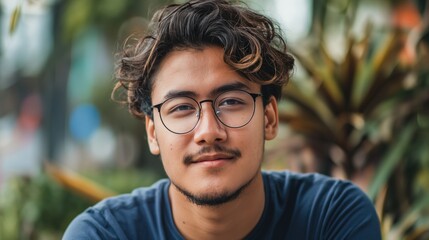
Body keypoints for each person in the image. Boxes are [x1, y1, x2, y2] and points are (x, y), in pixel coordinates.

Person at [63, 0, 381, 239]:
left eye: (231, 102)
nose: (208, 132)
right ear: (152, 133)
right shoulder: (102, 235)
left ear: (269, 119)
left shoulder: (332, 218)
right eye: (182, 108)